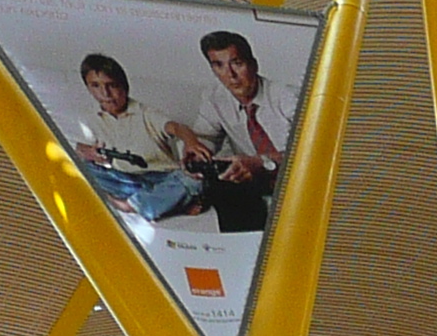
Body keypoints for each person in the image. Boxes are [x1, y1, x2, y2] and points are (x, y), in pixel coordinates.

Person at [68, 53, 211, 222]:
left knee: (195, 179)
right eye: (95, 86)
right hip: (126, 181)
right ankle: (167, 203)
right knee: (77, 165)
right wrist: (85, 151)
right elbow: (77, 148)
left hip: (163, 179)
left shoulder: (145, 113)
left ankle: (133, 205)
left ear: (124, 86)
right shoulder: (90, 118)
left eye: (111, 85)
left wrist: (191, 142)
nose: (105, 93)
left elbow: (177, 127)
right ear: (88, 87)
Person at [186, 28, 286, 232]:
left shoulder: (288, 97)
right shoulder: (214, 98)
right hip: (253, 181)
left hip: (297, 177)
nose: (230, 75)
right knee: (221, 184)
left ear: (254, 64)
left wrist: (261, 162)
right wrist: (195, 155)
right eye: (218, 65)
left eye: (237, 63)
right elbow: (205, 138)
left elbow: (314, 155)